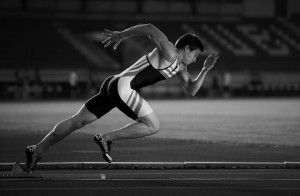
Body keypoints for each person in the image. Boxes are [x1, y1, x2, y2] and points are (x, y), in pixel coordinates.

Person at [25, 23, 219, 172]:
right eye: (195, 55)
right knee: (153, 126)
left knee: (78, 121)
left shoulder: (181, 68)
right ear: (185, 49)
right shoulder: (169, 51)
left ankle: (37, 150)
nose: (195, 60)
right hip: (123, 87)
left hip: (112, 84)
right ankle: (106, 138)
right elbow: (150, 28)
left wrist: (204, 70)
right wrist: (121, 35)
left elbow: (191, 89)